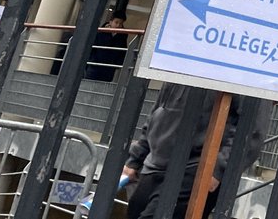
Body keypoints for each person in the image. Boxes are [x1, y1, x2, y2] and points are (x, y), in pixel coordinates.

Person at [123, 86, 268, 219]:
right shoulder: (183, 62)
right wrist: (136, 157)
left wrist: (218, 169)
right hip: (155, 163)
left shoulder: (240, 66)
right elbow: (158, 111)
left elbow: (253, 127)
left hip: (198, 167)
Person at [85, 14, 129, 81]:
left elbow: (122, 51)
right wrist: (91, 59)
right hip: (95, 64)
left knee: (104, 85)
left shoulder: (122, 36)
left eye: (121, 23)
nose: (118, 25)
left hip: (109, 67)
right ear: (110, 22)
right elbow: (93, 46)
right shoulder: (100, 32)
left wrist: (117, 63)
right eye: (116, 22)